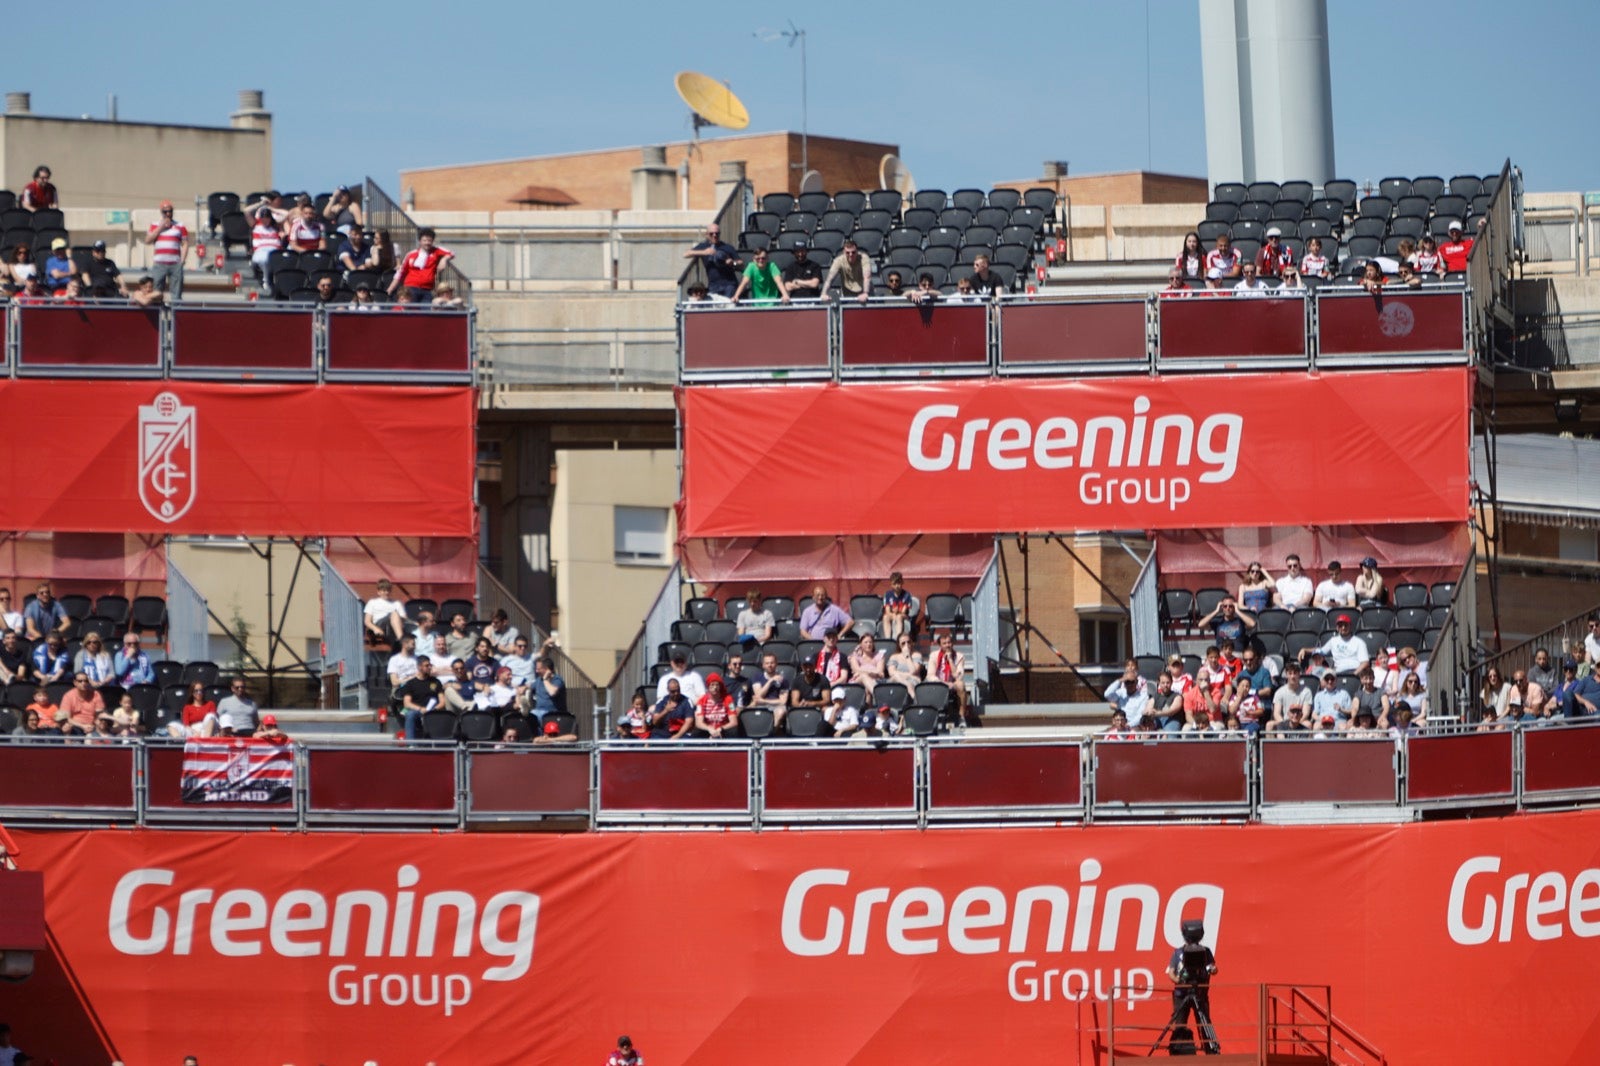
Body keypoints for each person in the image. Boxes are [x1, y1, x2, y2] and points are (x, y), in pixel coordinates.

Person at [1165, 924, 1219, 1055]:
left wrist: (1212, 969)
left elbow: (1214, 968)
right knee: (1180, 1023)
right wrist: (1180, 981)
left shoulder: (1206, 952)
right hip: (1181, 994)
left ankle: (1210, 1051)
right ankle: (1178, 1051)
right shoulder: (1178, 953)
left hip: (1200, 994)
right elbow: (1170, 972)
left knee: (1204, 1022)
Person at [388, 228, 455, 302]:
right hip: (411, 288)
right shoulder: (411, 254)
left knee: (426, 312)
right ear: (420, 241)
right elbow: (400, 273)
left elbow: (451, 253)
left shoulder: (436, 251)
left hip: (427, 290)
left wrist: (444, 259)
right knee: (412, 311)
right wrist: (391, 288)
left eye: (429, 240)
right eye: (424, 240)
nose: (427, 243)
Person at [682, 223, 743, 299]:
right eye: (711, 234)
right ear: (706, 235)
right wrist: (704, 252)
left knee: (728, 307)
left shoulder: (727, 247)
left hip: (729, 284)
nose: (714, 236)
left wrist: (732, 262)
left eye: (717, 234)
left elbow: (741, 263)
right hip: (713, 285)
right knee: (713, 308)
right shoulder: (703, 246)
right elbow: (685, 254)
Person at [144, 200, 190, 299]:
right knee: (156, 291)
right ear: (161, 212)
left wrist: (182, 260)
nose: (168, 214)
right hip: (159, 264)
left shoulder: (180, 226)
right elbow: (147, 240)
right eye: (165, 212)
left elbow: (185, 243)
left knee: (176, 292)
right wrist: (161, 227)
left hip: (175, 264)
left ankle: (175, 312)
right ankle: (158, 312)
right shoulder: (154, 225)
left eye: (170, 211)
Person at [927, 630, 971, 725]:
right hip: (938, 683)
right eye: (944, 643)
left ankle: (962, 717)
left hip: (953, 684)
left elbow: (957, 676)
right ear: (940, 645)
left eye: (949, 642)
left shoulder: (959, 656)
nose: (947, 645)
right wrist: (943, 683)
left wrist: (950, 659)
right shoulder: (934, 655)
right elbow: (930, 675)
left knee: (961, 684)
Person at [399, 657, 446, 740]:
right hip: (417, 710)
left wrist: (434, 709)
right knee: (410, 714)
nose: (429, 667)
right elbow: (407, 703)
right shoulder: (411, 683)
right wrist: (421, 709)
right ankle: (411, 745)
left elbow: (442, 702)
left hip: (433, 710)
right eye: (427, 665)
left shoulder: (435, 682)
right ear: (419, 667)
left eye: (430, 665)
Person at [821, 237, 872, 302]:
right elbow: (829, 279)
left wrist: (865, 293)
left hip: (865, 290)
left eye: (853, 252)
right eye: (848, 252)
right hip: (848, 292)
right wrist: (824, 293)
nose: (851, 255)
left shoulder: (864, 258)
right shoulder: (838, 261)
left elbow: (867, 277)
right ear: (844, 252)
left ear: (857, 251)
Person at [1104, 660, 1152, 728]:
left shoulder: (1143, 696)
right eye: (1127, 682)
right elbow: (1107, 694)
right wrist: (1120, 680)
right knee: (1099, 737)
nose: (1129, 685)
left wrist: (1128, 725)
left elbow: (1140, 716)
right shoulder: (1121, 692)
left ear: (1137, 682)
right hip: (1119, 725)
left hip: (1134, 727)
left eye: (1132, 682)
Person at [748, 652, 790, 725]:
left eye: (772, 663)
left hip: (776, 707)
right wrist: (770, 681)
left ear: (776, 664)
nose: (769, 665)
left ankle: (772, 732)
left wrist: (764, 701)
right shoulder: (757, 677)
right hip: (760, 706)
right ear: (763, 665)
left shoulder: (783, 680)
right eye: (767, 663)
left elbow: (783, 701)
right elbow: (758, 695)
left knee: (780, 712)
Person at [692, 673, 739, 738]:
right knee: (696, 732)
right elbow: (699, 723)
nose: (715, 687)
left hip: (723, 728)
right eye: (712, 685)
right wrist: (709, 729)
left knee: (733, 731)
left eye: (717, 685)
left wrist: (721, 729)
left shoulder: (728, 699)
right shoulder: (702, 700)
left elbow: (734, 722)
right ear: (708, 687)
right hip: (708, 729)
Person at [363, 578, 407, 646]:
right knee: (394, 613)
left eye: (388, 591)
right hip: (380, 625)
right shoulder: (372, 602)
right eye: (384, 591)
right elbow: (367, 621)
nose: (386, 593)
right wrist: (375, 629)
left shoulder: (397, 603)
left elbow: (404, 618)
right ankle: (401, 641)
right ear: (379, 591)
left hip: (394, 626)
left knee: (395, 615)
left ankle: (399, 642)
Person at [530, 655, 567, 724]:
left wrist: (545, 680)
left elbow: (552, 692)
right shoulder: (538, 680)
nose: (536, 671)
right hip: (538, 711)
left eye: (538, 669)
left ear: (547, 669)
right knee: (529, 717)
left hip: (552, 714)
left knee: (533, 716)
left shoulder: (557, 680)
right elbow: (530, 687)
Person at [848, 633, 886, 698]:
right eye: (865, 642)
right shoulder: (855, 657)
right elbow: (856, 670)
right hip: (857, 681)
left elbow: (881, 673)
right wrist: (873, 672)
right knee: (863, 677)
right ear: (860, 644)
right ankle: (880, 697)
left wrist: (862, 671)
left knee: (867, 687)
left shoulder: (879, 656)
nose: (868, 644)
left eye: (870, 642)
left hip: (875, 681)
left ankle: (869, 706)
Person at [882, 571, 913, 642]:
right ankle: (888, 640)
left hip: (904, 616)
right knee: (885, 617)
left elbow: (903, 611)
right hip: (893, 614)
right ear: (891, 584)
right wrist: (893, 614)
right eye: (894, 584)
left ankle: (899, 639)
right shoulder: (888, 594)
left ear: (902, 583)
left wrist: (897, 612)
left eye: (898, 583)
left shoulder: (906, 594)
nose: (897, 586)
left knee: (899, 617)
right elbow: (887, 611)